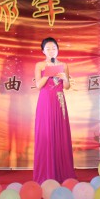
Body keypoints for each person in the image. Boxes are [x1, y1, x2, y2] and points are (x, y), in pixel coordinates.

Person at [33, 37, 77, 183]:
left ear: (58, 49)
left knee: (60, 133)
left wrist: (65, 78)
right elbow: (38, 86)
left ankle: (62, 172)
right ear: (43, 51)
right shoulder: (40, 65)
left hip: (59, 101)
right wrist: (48, 74)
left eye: (54, 48)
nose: (51, 51)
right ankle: (46, 173)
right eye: (48, 49)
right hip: (45, 101)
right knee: (46, 133)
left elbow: (67, 86)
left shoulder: (64, 65)